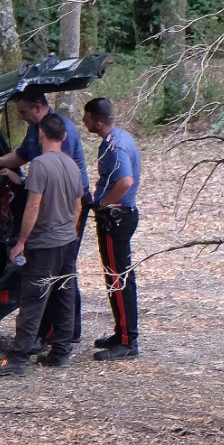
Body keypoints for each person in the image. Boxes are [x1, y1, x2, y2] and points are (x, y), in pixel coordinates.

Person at [0, 90, 90, 344]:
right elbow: (22, 154)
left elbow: (53, 183)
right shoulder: (37, 129)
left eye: (23, 112)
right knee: (60, 271)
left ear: (39, 107)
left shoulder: (59, 134)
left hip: (63, 203)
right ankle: (60, 338)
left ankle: (55, 334)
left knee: (53, 275)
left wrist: (25, 240)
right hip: (56, 207)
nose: (20, 117)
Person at [82, 97, 140, 360]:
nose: (83, 121)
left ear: (98, 121)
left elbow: (126, 181)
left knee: (119, 280)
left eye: (86, 117)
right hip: (121, 216)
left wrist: (103, 203)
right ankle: (122, 333)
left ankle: (128, 342)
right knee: (117, 278)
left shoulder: (114, 146)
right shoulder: (121, 137)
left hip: (116, 218)